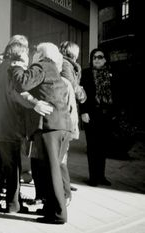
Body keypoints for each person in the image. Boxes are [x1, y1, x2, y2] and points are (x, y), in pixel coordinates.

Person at [0, 35, 53, 213]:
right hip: (9, 123)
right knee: (11, 166)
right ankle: (13, 205)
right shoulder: (15, 67)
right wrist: (35, 104)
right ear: (22, 51)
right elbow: (17, 93)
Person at [10, 42, 73, 224]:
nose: (32, 56)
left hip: (50, 126)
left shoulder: (42, 65)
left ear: (40, 54)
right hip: (61, 125)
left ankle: (58, 214)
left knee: (50, 170)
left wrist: (17, 67)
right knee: (51, 168)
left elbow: (23, 82)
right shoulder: (54, 70)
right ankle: (50, 208)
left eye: (35, 52)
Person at [80, 48, 115, 187]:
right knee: (93, 146)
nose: (97, 59)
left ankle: (101, 176)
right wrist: (83, 112)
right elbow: (81, 95)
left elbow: (117, 93)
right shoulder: (86, 73)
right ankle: (93, 177)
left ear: (105, 59)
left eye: (100, 57)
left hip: (107, 115)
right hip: (91, 114)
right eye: (94, 57)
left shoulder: (111, 74)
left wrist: (115, 113)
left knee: (103, 147)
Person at [59, 41, 87, 192]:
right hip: (65, 111)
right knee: (63, 149)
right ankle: (63, 185)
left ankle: (64, 182)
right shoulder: (65, 65)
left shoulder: (68, 65)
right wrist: (82, 94)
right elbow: (73, 87)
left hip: (67, 109)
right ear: (73, 53)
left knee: (64, 148)